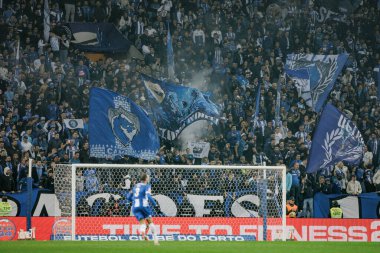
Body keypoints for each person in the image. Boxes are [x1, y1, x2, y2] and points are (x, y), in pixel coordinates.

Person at [127, 173, 159, 245]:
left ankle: (143, 233)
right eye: (148, 177)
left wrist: (134, 200)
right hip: (144, 206)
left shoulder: (135, 186)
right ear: (146, 179)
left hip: (135, 207)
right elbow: (149, 196)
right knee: (150, 222)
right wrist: (155, 205)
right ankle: (156, 240)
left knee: (142, 224)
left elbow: (128, 197)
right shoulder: (147, 186)